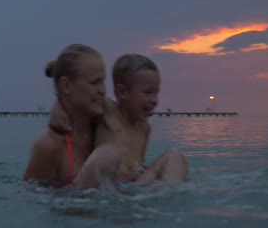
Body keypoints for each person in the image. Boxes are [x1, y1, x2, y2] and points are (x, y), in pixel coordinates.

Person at [51, 54, 189, 185]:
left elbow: (136, 164)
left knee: (174, 155)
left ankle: (168, 197)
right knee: (106, 154)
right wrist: (57, 108)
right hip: (106, 185)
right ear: (122, 92)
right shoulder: (107, 110)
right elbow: (78, 96)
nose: (154, 100)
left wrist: (147, 171)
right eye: (147, 93)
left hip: (132, 189)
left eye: (156, 93)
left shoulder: (145, 128)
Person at [21, 44, 119, 189]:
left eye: (103, 81)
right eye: (95, 82)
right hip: (72, 207)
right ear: (66, 86)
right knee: (105, 157)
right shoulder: (49, 145)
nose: (103, 91)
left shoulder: (105, 117)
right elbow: (30, 198)